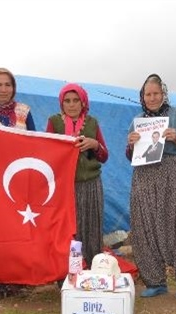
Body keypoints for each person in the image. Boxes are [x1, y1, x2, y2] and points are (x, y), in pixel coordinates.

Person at [126, 73, 176, 303]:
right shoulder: (138, 120)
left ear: (163, 94)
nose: (152, 97)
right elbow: (130, 156)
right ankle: (155, 281)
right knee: (146, 225)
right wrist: (131, 144)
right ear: (142, 96)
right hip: (146, 176)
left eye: (156, 93)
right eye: (148, 94)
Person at [0, 67, 37, 300]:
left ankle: (19, 280)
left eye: (8, 84)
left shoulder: (24, 111)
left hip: (20, 182)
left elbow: (36, 142)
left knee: (19, 229)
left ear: (14, 87)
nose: (4, 89)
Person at [46, 83, 109, 268]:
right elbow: (46, 152)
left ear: (83, 103)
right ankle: (69, 271)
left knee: (91, 227)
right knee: (68, 229)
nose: (72, 105)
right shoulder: (54, 122)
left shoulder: (92, 123)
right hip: (65, 187)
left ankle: (93, 268)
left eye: (76, 100)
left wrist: (95, 144)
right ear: (61, 103)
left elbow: (104, 156)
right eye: (67, 101)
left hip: (91, 184)